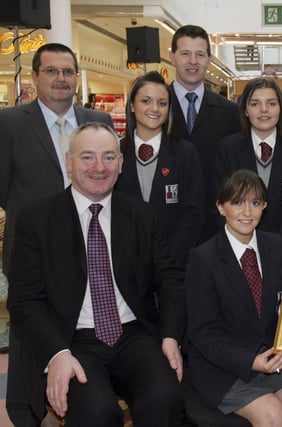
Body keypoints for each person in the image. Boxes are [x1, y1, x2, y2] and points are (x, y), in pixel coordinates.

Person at [7, 122, 185, 427]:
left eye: (108, 157)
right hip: (72, 339)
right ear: (69, 162)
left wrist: (170, 336)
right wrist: (56, 354)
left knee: (165, 397)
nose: (99, 167)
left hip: (132, 334)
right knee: (98, 412)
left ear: (120, 164)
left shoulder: (141, 215)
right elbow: (24, 301)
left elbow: (170, 279)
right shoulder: (36, 220)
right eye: (87, 157)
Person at [0, 42, 113, 426]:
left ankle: (72, 400)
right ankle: (29, 412)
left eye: (67, 71)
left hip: (89, 246)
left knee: (78, 328)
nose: (61, 79)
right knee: (30, 333)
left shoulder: (96, 118)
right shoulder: (10, 123)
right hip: (32, 250)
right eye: (51, 71)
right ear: (34, 77)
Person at [185, 169, 282, 426]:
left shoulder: (276, 246)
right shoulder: (203, 259)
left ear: (264, 207)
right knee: (273, 415)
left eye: (255, 203)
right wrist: (250, 361)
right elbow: (203, 334)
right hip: (224, 367)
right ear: (221, 207)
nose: (247, 212)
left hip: (272, 356)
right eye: (237, 202)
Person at [213, 77, 282, 253]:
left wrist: (277, 243)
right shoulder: (226, 149)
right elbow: (221, 200)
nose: (264, 110)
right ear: (244, 110)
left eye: (271, 103)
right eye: (255, 104)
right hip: (239, 247)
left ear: (281, 108)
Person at [115, 71, 204, 267]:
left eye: (162, 103)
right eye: (146, 101)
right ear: (131, 105)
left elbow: (194, 212)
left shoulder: (185, 153)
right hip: (125, 264)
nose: (154, 109)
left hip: (172, 265)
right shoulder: (115, 153)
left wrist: (166, 258)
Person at [169, 25, 241, 242]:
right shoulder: (157, 106)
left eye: (200, 54)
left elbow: (234, 168)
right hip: (167, 223)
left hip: (215, 226)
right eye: (185, 54)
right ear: (172, 57)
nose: (193, 61)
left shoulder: (229, 112)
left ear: (209, 59)